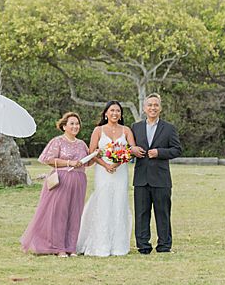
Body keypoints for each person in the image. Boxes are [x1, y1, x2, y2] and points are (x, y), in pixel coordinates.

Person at [20, 112, 90, 257]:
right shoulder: (57, 141)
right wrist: (69, 162)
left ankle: (71, 246)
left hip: (79, 180)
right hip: (62, 179)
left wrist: (97, 154)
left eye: (77, 124)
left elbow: (87, 162)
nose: (75, 126)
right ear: (64, 126)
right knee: (59, 214)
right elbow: (47, 159)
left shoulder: (82, 144)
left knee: (75, 213)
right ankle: (58, 248)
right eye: (72, 123)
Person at [77, 100, 137, 256]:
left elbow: (132, 150)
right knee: (103, 203)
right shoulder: (98, 130)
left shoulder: (126, 130)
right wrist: (105, 165)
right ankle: (101, 245)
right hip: (103, 172)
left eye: (118, 111)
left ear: (121, 114)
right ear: (106, 113)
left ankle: (119, 246)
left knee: (119, 202)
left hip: (121, 172)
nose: (115, 113)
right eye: (112, 111)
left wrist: (118, 162)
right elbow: (92, 153)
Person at [130, 93, 183, 254]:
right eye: (150, 105)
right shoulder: (135, 127)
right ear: (144, 108)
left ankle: (164, 246)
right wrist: (133, 151)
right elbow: (127, 149)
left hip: (161, 179)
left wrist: (159, 152)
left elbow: (177, 150)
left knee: (163, 213)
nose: (153, 108)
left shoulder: (169, 128)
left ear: (160, 108)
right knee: (141, 214)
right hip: (141, 178)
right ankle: (143, 246)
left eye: (156, 105)